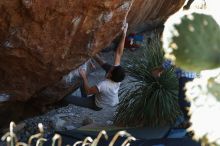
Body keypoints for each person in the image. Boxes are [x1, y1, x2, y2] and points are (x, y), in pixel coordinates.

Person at [63, 23, 128, 111]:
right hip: (106, 94)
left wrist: (84, 76)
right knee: (104, 65)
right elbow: (119, 53)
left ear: (110, 75)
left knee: (66, 98)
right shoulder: (117, 76)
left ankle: (76, 100)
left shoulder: (104, 85)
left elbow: (88, 91)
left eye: (111, 70)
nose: (112, 67)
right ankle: (93, 54)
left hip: (96, 104)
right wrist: (124, 34)